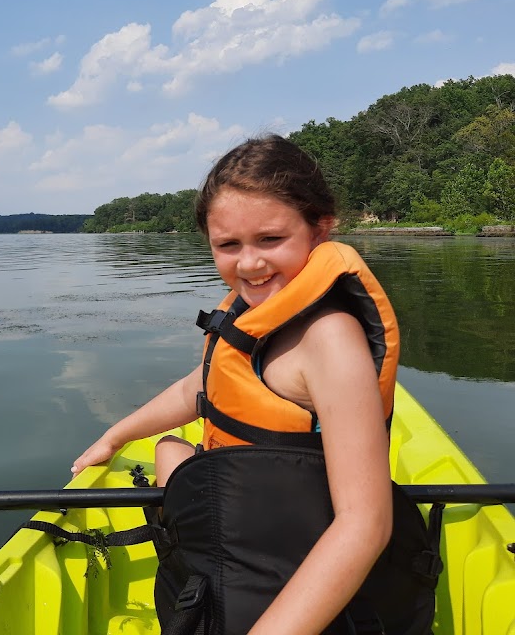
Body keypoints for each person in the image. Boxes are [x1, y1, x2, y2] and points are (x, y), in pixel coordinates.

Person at [72, 135, 437, 635]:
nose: (249, 264)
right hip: (237, 537)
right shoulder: (250, 317)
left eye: (270, 240)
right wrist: (114, 435)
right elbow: (196, 390)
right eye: (228, 245)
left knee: (174, 458)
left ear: (320, 229)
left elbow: (364, 525)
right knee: (170, 450)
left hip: (287, 570)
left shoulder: (330, 340)